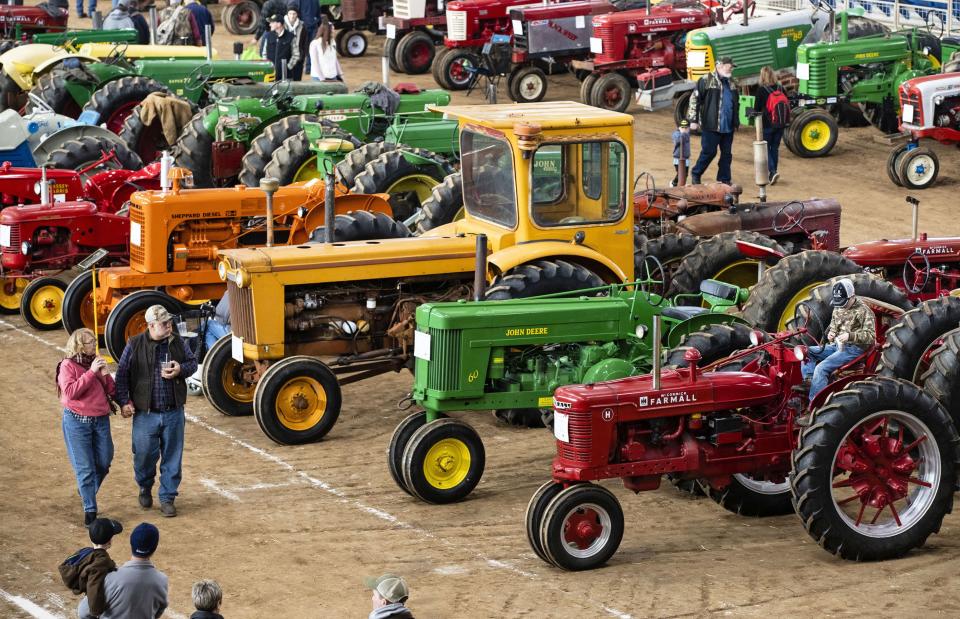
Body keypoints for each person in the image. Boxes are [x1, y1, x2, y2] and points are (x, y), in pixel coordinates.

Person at [115, 305, 198, 518]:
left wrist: (180, 369)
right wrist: (124, 401)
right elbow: (122, 374)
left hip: (173, 412)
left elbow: (192, 364)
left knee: (172, 457)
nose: (169, 325)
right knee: (143, 456)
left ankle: (167, 498)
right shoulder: (134, 344)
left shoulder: (177, 341)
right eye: (163, 323)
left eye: (169, 321)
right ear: (151, 325)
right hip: (145, 414)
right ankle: (144, 485)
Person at [58, 328, 117, 526]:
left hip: (100, 420)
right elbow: (70, 392)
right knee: (85, 469)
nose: (95, 344)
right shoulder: (67, 365)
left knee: (104, 461)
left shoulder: (97, 362)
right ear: (79, 345)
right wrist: (91, 373)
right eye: (90, 342)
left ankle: (86, 490)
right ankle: (90, 510)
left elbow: (111, 390)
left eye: (94, 341)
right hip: (76, 421)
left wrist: (105, 375)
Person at [800, 279, 876, 399]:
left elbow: (871, 337)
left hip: (854, 348)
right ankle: (810, 381)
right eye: (838, 303)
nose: (841, 306)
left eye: (843, 303)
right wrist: (831, 334)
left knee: (821, 368)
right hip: (836, 346)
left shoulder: (864, 311)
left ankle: (815, 403)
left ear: (852, 296)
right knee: (806, 351)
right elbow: (834, 327)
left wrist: (850, 336)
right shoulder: (837, 307)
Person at [78, 522, 168, 619]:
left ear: (131, 543)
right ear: (154, 548)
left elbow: (83, 613)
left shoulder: (110, 578)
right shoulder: (162, 581)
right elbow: (159, 610)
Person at [686, 56, 739, 185]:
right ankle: (696, 173)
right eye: (729, 66)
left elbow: (736, 102)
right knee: (709, 152)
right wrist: (693, 119)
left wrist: (736, 120)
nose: (731, 68)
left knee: (726, 155)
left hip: (728, 126)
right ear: (719, 65)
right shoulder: (706, 80)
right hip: (711, 125)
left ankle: (724, 180)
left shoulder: (732, 82)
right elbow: (694, 99)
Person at [59, 518, 122, 618]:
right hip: (93, 607)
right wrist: (96, 612)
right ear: (110, 541)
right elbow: (94, 586)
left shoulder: (86, 551)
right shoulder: (102, 562)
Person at [755, 66, 789, 185]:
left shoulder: (761, 90)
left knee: (765, 148)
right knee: (774, 148)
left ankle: (772, 171)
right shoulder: (781, 88)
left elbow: (756, 109)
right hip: (780, 123)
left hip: (767, 124)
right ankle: (773, 171)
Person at [309, 17, 343, 82]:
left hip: (333, 76)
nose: (334, 31)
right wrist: (322, 78)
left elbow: (334, 59)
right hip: (318, 78)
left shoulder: (333, 42)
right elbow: (315, 62)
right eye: (332, 29)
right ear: (326, 31)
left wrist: (340, 74)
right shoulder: (315, 43)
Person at [261, 14, 295, 80]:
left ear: (279, 24)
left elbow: (296, 55)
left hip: (286, 77)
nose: (270, 24)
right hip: (270, 75)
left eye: (272, 22)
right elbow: (264, 53)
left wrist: (287, 68)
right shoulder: (268, 36)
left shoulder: (291, 37)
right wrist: (267, 67)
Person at [284, 4, 307, 80]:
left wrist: (302, 56)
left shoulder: (302, 26)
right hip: (286, 59)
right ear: (287, 14)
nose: (292, 16)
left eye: (294, 14)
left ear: (297, 15)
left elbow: (305, 43)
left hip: (298, 59)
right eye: (290, 13)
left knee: (297, 81)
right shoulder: (282, 25)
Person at [298, 0, 321, 74]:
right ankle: (308, 68)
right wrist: (318, 22)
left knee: (303, 47)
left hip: (305, 26)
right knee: (311, 47)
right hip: (311, 25)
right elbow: (318, 12)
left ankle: (305, 68)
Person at [671, 119, 691, 187]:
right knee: (680, 173)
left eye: (686, 128)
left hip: (686, 158)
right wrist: (682, 133)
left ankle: (681, 184)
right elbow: (678, 140)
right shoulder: (676, 134)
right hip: (678, 158)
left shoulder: (687, 134)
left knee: (685, 174)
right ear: (679, 127)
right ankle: (674, 183)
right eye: (682, 127)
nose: (684, 129)